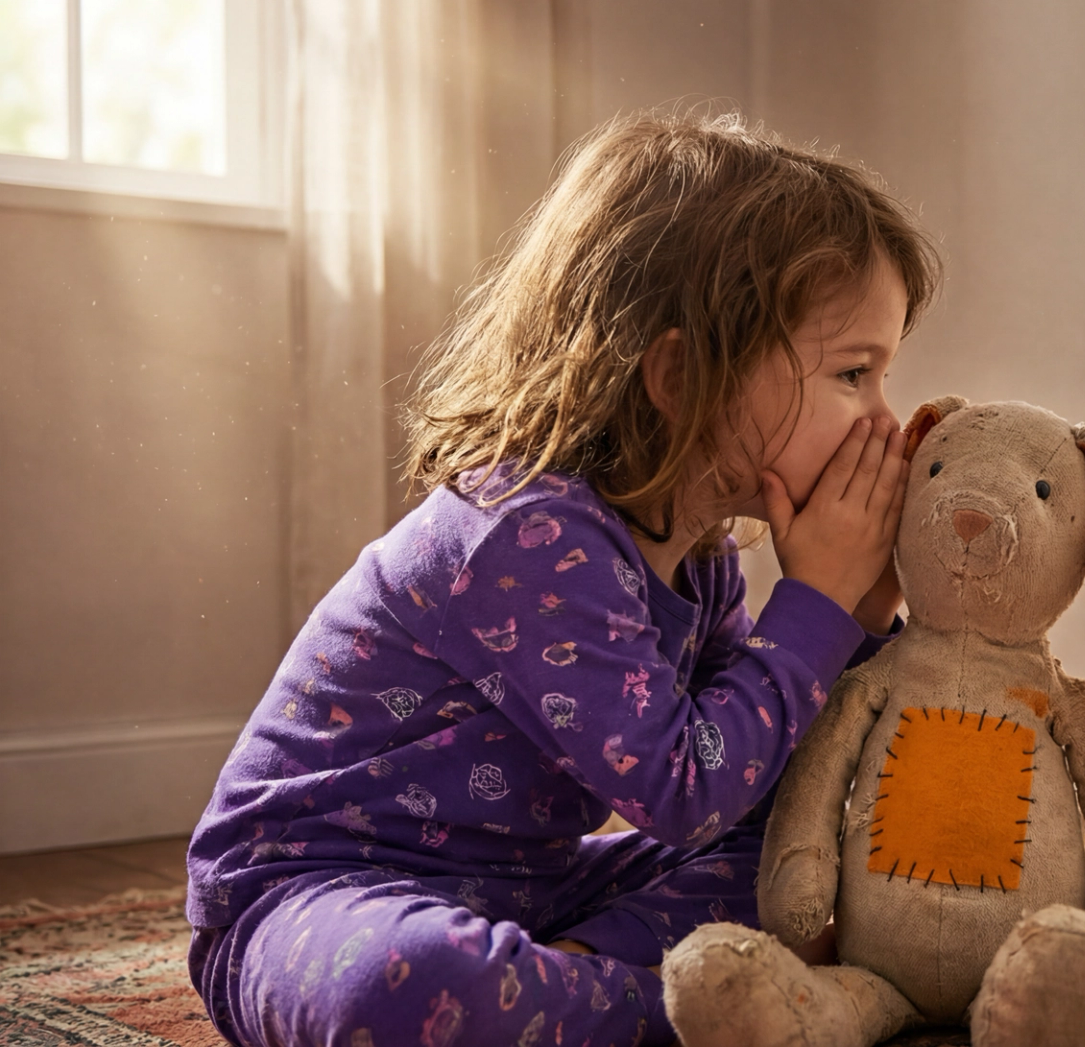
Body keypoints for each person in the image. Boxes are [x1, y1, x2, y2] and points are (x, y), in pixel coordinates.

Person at [184, 112, 940, 1047]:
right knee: (414, 985)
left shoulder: (699, 556)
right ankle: (682, 1004)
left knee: (806, 856)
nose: (884, 421)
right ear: (680, 376)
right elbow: (680, 790)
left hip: (530, 888)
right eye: (854, 373)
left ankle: (581, 978)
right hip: (313, 893)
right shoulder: (529, 532)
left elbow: (749, 768)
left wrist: (861, 619)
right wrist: (814, 606)